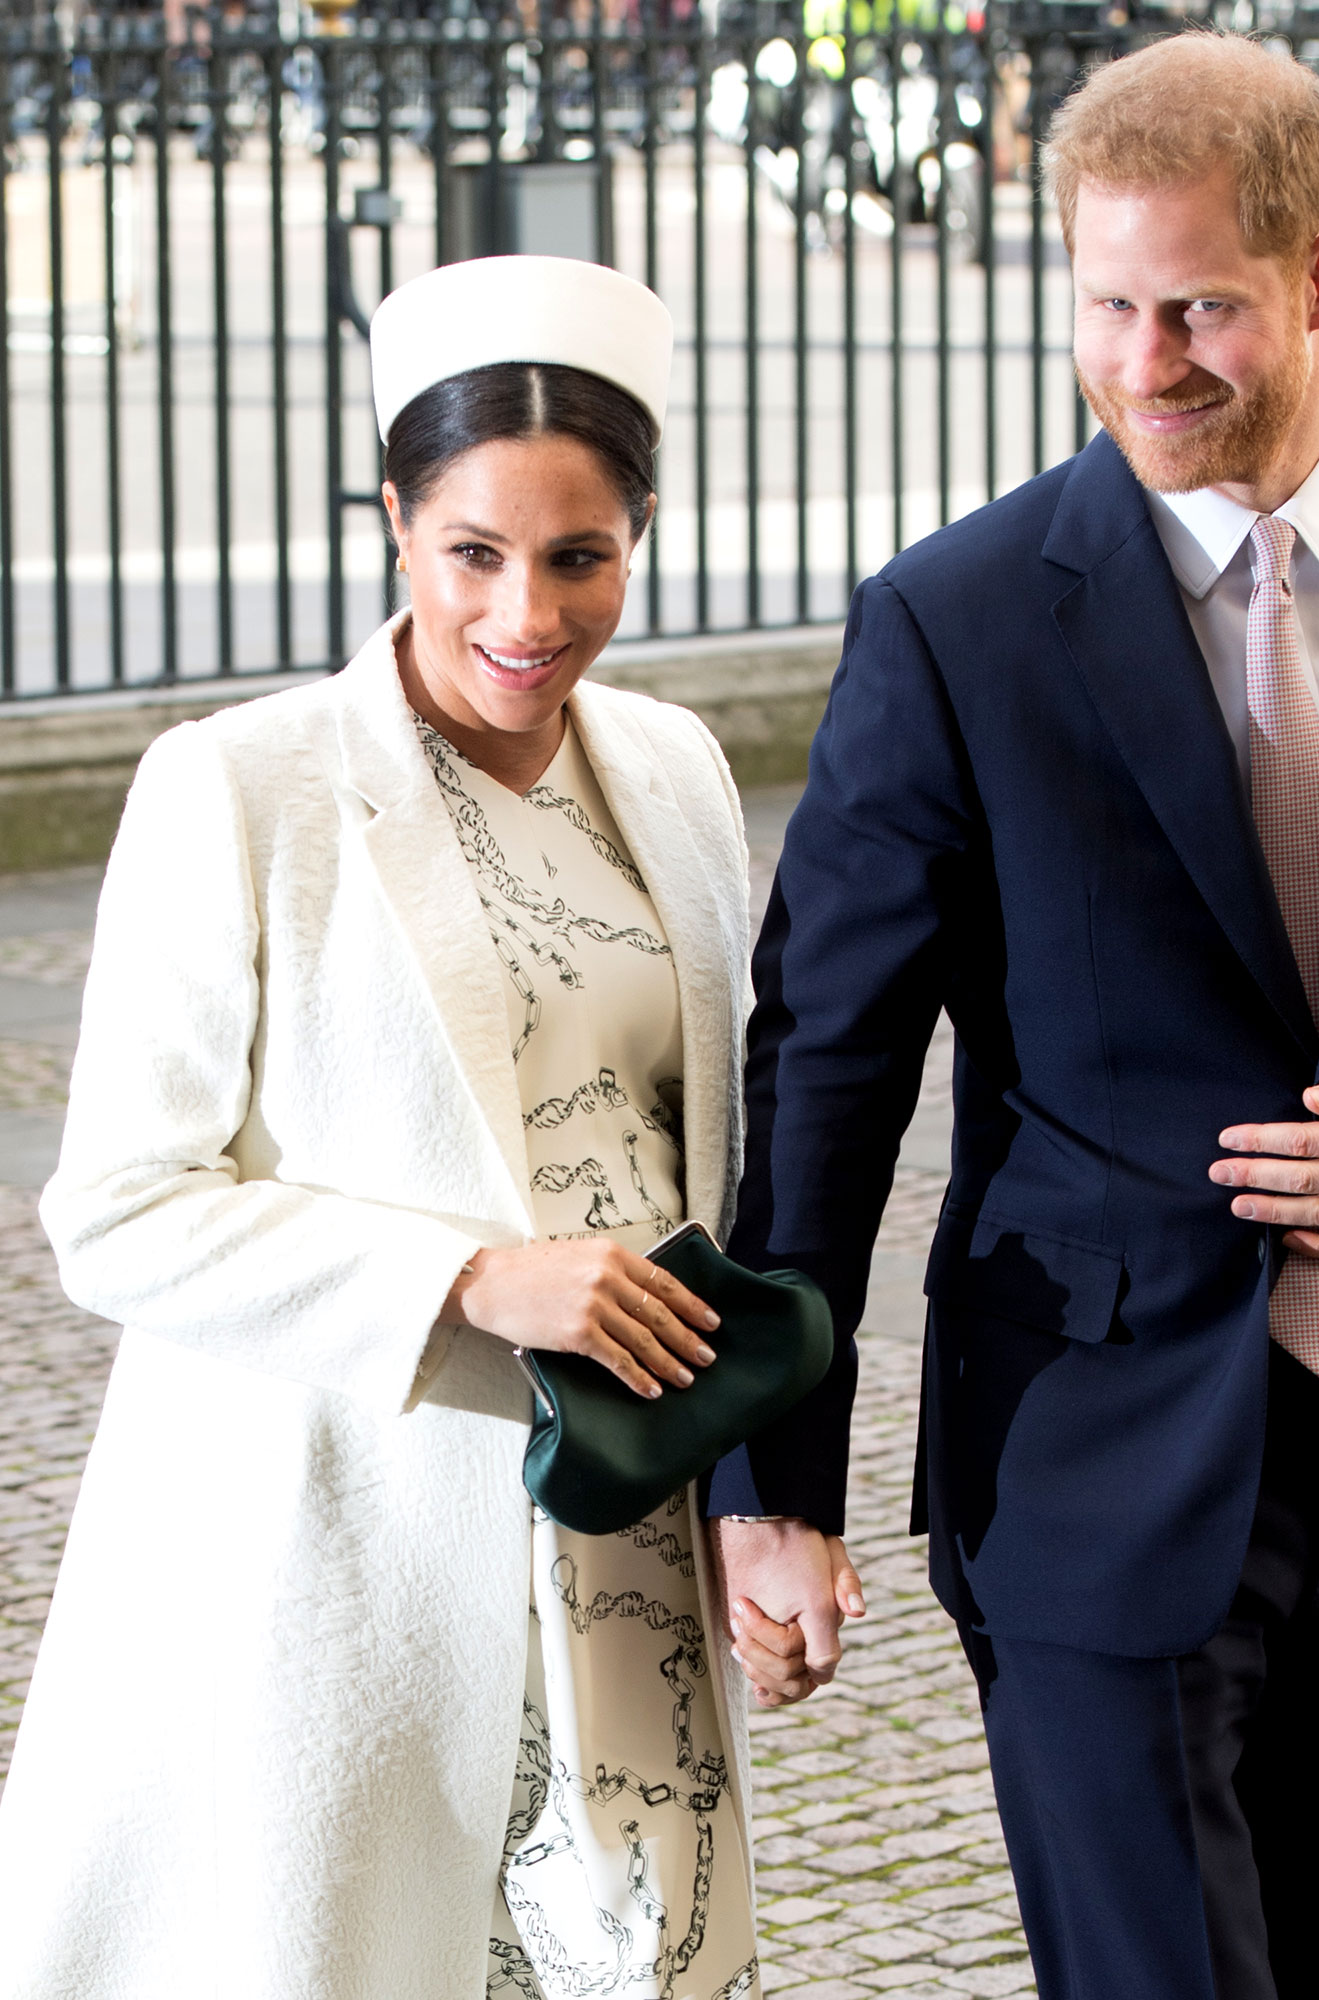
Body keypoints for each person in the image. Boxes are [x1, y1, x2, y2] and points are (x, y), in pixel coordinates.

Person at [705, 35, 1319, 2000]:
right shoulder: (955, 623)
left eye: (1201, 307)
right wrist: (773, 1487)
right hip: (1084, 1465)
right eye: (1106, 304)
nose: (1144, 359)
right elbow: (826, 1067)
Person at [0, 255, 821, 2000]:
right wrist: (472, 1281)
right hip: (344, 1547)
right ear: (394, 523)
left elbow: (706, 1171)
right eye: (474, 552)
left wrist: (754, 1496)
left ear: (642, 533)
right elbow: (120, 1212)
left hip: (615, 1545)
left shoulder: (672, 767)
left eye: (580, 556)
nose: (525, 609)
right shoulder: (240, 786)